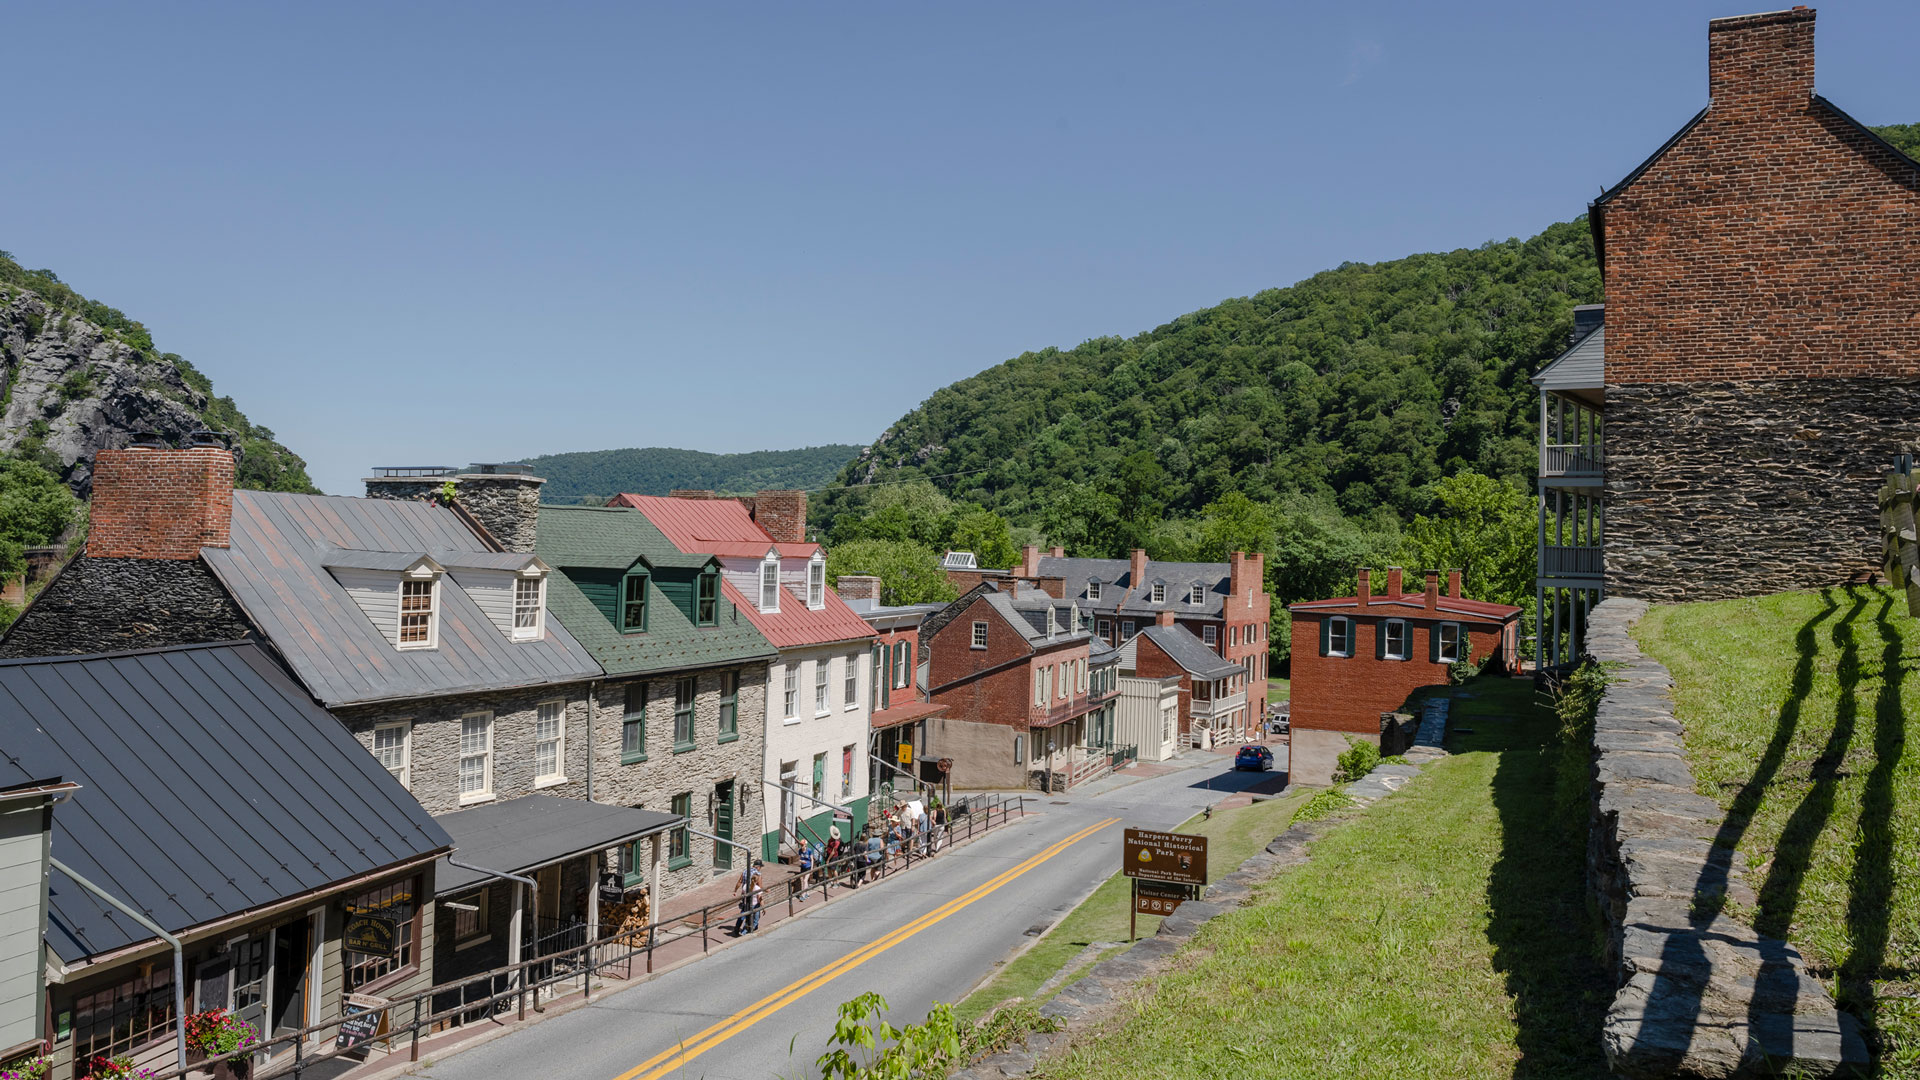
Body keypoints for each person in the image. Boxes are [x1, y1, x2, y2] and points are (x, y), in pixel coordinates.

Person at [730, 859, 763, 936]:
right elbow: (760, 887)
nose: (760, 869)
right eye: (760, 867)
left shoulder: (745, 871)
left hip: (744, 893)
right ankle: (748, 928)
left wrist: (735, 891)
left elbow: (739, 881)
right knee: (755, 912)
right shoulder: (758, 874)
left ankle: (737, 928)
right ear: (758, 867)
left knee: (744, 911)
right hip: (753, 895)